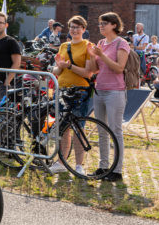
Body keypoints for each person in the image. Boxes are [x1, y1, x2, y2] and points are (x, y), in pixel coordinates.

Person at [48, 15, 94, 175]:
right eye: (72, 27)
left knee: (78, 128)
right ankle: (61, 162)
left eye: (78, 27)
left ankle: (79, 165)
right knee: (62, 128)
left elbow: (88, 73)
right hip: (62, 89)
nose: (74, 30)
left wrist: (69, 66)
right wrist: (58, 67)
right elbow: (57, 70)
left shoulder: (88, 46)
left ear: (83, 29)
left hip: (80, 91)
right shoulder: (63, 46)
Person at [87, 12, 130, 182]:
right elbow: (95, 69)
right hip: (100, 90)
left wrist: (102, 54)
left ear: (114, 24)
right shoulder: (100, 43)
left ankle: (117, 170)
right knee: (101, 130)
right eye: (99, 23)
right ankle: (103, 166)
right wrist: (92, 55)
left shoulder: (121, 43)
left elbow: (119, 68)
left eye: (104, 23)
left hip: (115, 91)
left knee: (115, 130)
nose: (100, 26)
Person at [0, 11, 22, 100]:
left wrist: (7, 81)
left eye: (1, 23)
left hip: (7, 85)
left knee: (4, 112)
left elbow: (17, 63)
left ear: (6, 25)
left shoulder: (11, 42)